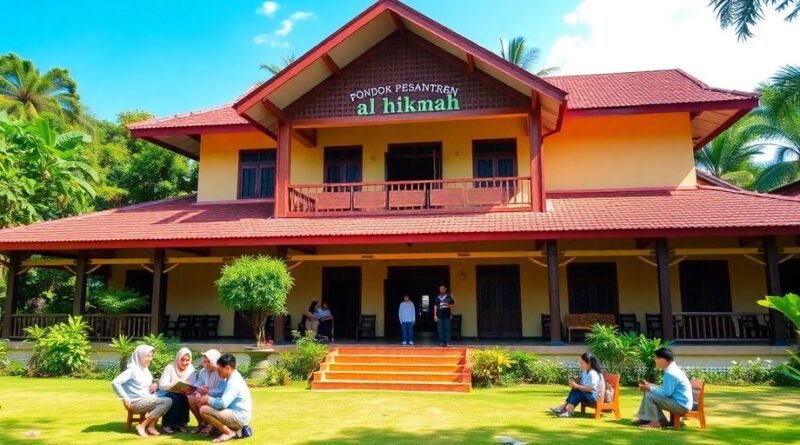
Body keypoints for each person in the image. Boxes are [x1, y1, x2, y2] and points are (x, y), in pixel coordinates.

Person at [111, 344, 173, 437]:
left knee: (168, 395)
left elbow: (142, 385)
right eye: (147, 356)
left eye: (151, 356)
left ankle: (151, 426)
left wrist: (152, 386)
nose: (150, 359)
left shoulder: (144, 369)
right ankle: (142, 426)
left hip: (145, 399)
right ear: (139, 356)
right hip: (135, 403)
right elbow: (115, 382)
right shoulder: (132, 370)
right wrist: (125, 398)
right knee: (167, 401)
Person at [634, 348, 693, 429]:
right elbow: (667, 390)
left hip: (681, 406)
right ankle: (647, 419)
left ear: (666, 360)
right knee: (649, 392)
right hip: (681, 403)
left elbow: (666, 394)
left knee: (649, 395)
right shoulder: (672, 369)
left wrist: (650, 388)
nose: (655, 360)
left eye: (658, 358)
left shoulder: (670, 373)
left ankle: (655, 422)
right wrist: (651, 387)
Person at [199, 354, 252, 443]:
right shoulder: (232, 377)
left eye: (219, 370)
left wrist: (208, 399)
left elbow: (223, 404)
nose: (218, 372)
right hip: (236, 413)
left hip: (239, 417)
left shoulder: (234, 382)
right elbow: (222, 397)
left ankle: (229, 432)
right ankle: (221, 428)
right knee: (209, 405)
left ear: (227, 368)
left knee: (204, 410)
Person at [549, 352, 605, 418]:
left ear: (589, 363)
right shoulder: (586, 371)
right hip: (588, 395)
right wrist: (575, 382)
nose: (580, 365)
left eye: (582, 363)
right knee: (576, 389)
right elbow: (584, 384)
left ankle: (566, 410)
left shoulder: (593, 373)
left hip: (595, 398)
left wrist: (577, 386)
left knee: (577, 390)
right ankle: (566, 410)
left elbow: (592, 388)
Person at [158, 347, 197, 434]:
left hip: (184, 393)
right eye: (182, 360)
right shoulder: (170, 367)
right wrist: (173, 384)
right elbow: (162, 384)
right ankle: (168, 424)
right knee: (174, 398)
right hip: (168, 392)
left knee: (184, 398)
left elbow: (193, 384)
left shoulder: (191, 369)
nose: (184, 363)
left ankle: (182, 423)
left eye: (187, 360)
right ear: (178, 359)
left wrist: (188, 388)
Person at [189, 349, 225, 435]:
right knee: (190, 397)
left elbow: (223, 390)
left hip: (219, 398)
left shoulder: (222, 372)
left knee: (202, 399)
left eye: (209, 361)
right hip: (204, 395)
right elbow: (198, 382)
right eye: (204, 362)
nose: (206, 364)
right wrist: (198, 388)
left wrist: (208, 391)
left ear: (215, 361)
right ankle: (201, 423)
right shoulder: (203, 371)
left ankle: (211, 425)